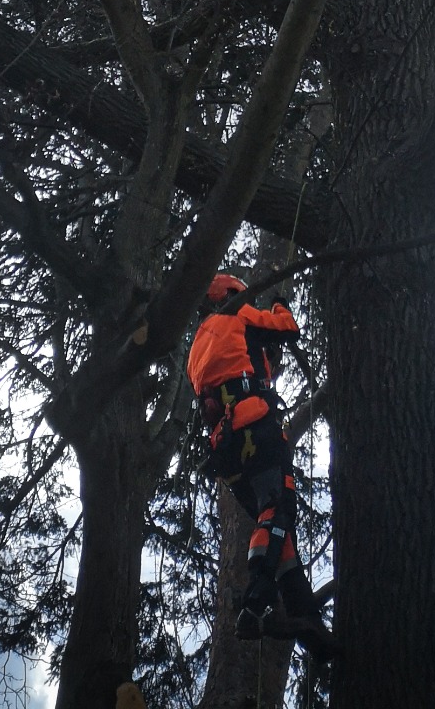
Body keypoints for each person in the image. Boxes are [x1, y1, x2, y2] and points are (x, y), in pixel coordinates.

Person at [187, 273, 331, 652]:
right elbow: (287, 328)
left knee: (275, 523)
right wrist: (281, 304)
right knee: (278, 508)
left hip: (227, 446)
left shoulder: (198, 345)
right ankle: (255, 602)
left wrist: (265, 362)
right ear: (233, 295)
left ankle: (304, 617)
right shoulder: (239, 313)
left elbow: (240, 368)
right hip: (254, 425)